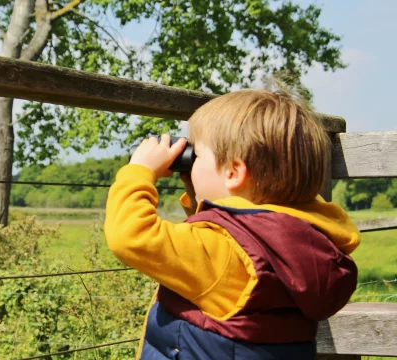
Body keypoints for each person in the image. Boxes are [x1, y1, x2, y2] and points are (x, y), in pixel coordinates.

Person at [104, 88, 360, 360]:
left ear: (234, 173)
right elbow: (242, 228)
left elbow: (131, 236)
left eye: (197, 155)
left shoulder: (225, 252)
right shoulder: (300, 245)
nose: (190, 164)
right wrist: (199, 196)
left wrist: (139, 172)